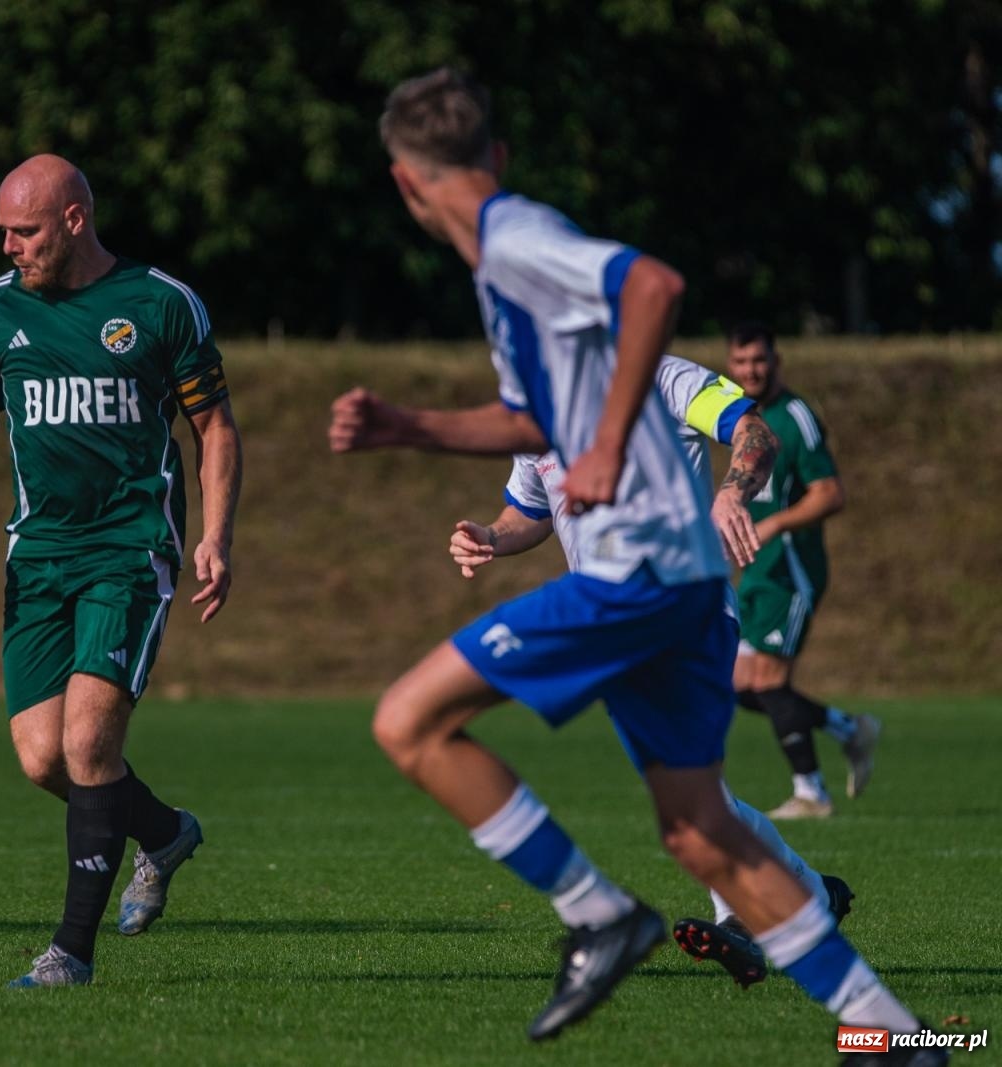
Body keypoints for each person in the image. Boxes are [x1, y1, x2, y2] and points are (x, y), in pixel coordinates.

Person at [329, 68, 937, 1060]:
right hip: (673, 581)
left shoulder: (518, 239)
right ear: (496, 152)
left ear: (403, 183)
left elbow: (653, 286)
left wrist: (614, 440)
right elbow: (536, 425)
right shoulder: (506, 275)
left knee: (408, 718)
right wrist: (412, 428)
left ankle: (599, 915)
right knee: (700, 827)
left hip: (636, 570)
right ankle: (898, 1037)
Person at [440, 352, 855, 989]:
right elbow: (530, 508)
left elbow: (755, 432)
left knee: (691, 788)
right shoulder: (539, 401)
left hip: (690, 608)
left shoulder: (662, 377)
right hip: (609, 624)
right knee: (686, 791)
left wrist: (730, 494)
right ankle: (808, 897)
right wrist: (490, 536)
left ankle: (747, 926)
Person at [0, 154, 243, 988]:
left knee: (87, 743)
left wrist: (215, 534)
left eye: (24, 230)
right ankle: (167, 832)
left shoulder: (159, 304)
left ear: (75, 220)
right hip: (38, 555)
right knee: (43, 759)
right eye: (2, 230)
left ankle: (70, 951)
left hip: (129, 548)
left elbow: (214, 429)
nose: (8, 246)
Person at [726, 321, 880, 819]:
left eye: (759, 360)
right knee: (735, 684)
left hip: (791, 568)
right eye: (741, 361)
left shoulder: (795, 416)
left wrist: (774, 526)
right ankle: (847, 730)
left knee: (768, 681)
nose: (751, 370)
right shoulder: (738, 419)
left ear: (776, 361)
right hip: (757, 571)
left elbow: (830, 493)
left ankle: (811, 792)